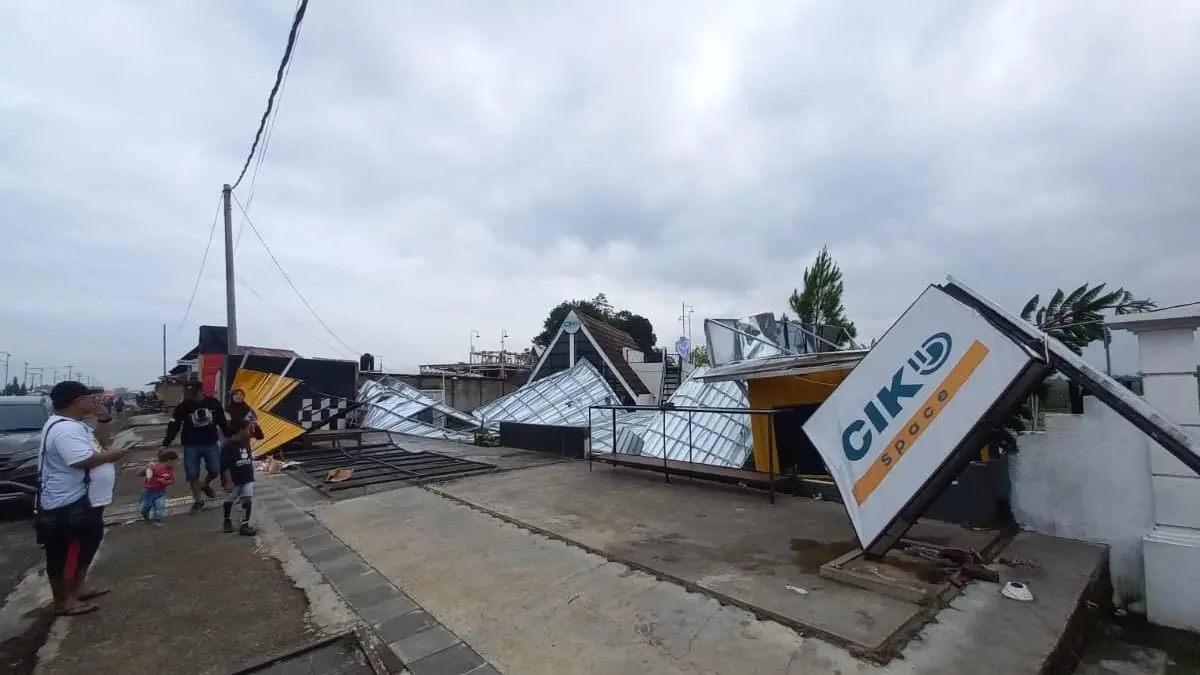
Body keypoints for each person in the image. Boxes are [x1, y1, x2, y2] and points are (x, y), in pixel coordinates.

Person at [37, 381, 131, 617]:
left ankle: (78, 588)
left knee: (87, 544)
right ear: (77, 401)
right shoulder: (65, 429)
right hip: (70, 503)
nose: (95, 401)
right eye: (90, 398)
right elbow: (81, 460)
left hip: (85, 501)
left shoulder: (75, 426)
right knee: (67, 552)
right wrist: (114, 456)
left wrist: (104, 421)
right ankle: (64, 601)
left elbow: (99, 445)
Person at [162, 382, 229, 514]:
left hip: (210, 442)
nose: (189, 396)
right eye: (187, 393)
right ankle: (198, 501)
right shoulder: (183, 406)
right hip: (190, 444)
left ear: (200, 391)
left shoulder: (213, 403)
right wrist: (166, 443)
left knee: (215, 470)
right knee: (192, 474)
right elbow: (174, 425)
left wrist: (229, 435)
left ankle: (204, 484)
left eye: (192, 393)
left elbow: (222, 421)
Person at [219, 420, 257, 536]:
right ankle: (227, 520)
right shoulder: (228, 445)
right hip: (234, 478)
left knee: (247, 499)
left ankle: (244, 525)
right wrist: (228, 481)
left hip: (247, 476)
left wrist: (254, 425)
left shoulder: (246, 441)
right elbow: (225, 465)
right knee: (230, 500)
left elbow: (259, 435)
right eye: (247, 429)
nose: (249, 431)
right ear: (240, 430)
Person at [139, 449, 178, 525]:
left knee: (160, 506)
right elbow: (139, 473)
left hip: (160, 491)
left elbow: (172, 479)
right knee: (145, 507)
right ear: (168, 461)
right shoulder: (155, 468)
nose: (175, 464)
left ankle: (157, 520)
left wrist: (166, 482)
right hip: (148, 491)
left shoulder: (170, 470)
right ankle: (145, 515)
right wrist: (146, 468)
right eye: (174, 462)